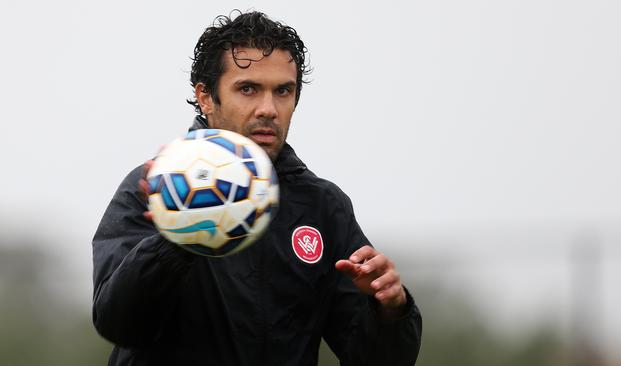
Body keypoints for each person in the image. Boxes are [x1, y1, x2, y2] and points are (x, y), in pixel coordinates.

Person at [92, 10, 422, 366]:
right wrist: (178, 238)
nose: (269, 109)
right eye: (248, 89)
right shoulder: (154, 188)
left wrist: (390, 308)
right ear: (206, 96)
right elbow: (118, 323)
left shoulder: (322, 205)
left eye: (283, 91)